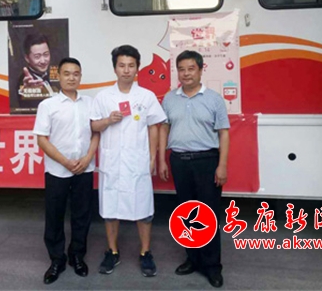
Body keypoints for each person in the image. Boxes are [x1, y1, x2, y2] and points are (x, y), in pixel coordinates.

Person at [90, 45, 167, 277]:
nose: (126, 70)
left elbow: (154, 126)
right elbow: (93, 126)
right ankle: (112, 252)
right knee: (110, 208)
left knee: (143, 208)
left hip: (137, 161)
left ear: (137, 68)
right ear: (115, 68)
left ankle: (145, 252)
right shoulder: (103, 97)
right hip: (112, 163)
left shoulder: (146, 96)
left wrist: (152, 157)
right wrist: (107, 120)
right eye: (122, 65)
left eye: (131, 65)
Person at [159, 50, 230, 288]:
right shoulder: (169, 99)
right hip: (179, 161)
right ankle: (192, 259)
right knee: (186, 214)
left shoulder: (214, 99)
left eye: (191, 69)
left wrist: (222, 165)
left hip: (207, 161)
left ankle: (212, 266)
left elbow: (224, 133)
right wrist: (162, 160)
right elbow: (164, 129)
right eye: (181, 69)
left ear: (200, 70)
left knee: (208, 215)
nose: (186, 73)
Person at [33, 57, 100, 284]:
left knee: (82, 215)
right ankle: (56, 260)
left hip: (84, 168)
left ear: (80, 76)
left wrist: (88, 158)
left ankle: (77, 256)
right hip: (57, 170)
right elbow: (42, 139)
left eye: (76, 73)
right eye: (67, 73)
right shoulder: (48, 105)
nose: (72, 78)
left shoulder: (90, 103)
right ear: (58, 76)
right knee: (55, 216)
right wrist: (64, 161)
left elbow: (96, 132)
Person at [17, 32, 59, 109]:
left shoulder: (54, 75)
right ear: (27, 58)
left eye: (46, 54)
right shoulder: (25, 81)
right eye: (37, 56)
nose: (43, 61)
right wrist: (27, 91)